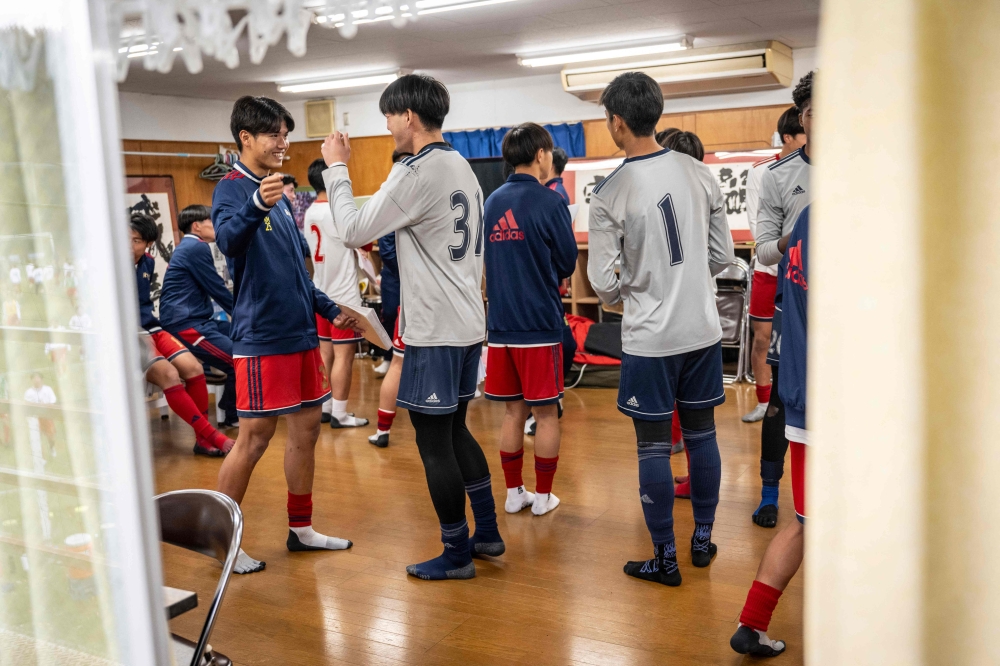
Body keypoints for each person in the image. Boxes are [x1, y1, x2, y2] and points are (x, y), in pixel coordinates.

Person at [321, 73, 502, 580]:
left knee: (431, 441)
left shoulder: (417, 171)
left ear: (409, 117)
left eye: (388, 115)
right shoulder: (461, 163)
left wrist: (337, 169)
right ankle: (486, 532)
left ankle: (457, 552)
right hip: (467, 324)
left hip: (435, 329)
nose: (385, 125)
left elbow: (354, 228)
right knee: (455, 428)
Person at [588, 72, 734, 587]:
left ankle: (664, 558)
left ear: (618, 122)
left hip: (650, 340)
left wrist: (639, 279)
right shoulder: (699, 172)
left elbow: (602, 288)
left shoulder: (610, 193)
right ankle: (703, 539)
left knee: (653, 448)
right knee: (702, 436)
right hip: (703, 331)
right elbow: (720, 255)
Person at [212, 96, 359, 575]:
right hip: (261, 337)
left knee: (308, 430)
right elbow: (231, 240)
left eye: (285, 133)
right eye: (274, 134)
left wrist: (331, 308)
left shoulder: (283, 196)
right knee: (253, 439)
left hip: (299, 334)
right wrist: (256, 203)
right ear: (246, 139)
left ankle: (301, 529)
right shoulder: (233, 190)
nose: (283, 142)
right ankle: (220, 542)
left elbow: (297, 273)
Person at [483, 123, 577, 516]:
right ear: (542, 155)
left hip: (501, 327)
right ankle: (542, 497)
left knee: (512, 412)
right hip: (539, 325)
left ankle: (512, 493)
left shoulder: (491, 202)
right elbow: (569, 261)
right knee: (546, 413)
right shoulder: (550, 201)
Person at [730, 205, 810, 658]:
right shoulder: (858, 218)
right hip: (840, 406)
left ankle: (752, 623)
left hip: (801, 399)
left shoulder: (807, 219)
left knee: (805, 524)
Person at [750, 71, 813, 529]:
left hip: (857, 312)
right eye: (813, 112)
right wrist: (801, 236)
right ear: (804, 119)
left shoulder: (870, 166)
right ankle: (770, 493)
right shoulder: (778, 176)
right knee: (781, 404)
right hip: (794, 308)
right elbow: (763, 249)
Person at [130, 212, 234, 457]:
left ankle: (202, 440)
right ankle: (212, 434)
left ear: (148, 244)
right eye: (127, 238)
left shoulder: (147, 262)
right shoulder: (112, 266)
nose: (129, 245)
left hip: (153, 326)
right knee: (170, 374)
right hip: (129, 331)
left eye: (136, 241)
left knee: (194, 369)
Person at [742, 107, 806, 425]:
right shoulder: (762, 172)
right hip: (771, 270)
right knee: (763, 339)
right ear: (788, 137)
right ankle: (764, 401)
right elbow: (760, 228)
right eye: (804, 135)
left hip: (805, 273)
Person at [158, 204, 238, 427]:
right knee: (238, 361)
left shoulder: (190, 246)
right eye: (211, 222)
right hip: (185, 324)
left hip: (199, 320)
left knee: (246, 344)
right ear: (197, 226)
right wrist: (242, 314)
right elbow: (216, 287)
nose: (216, 227)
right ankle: (231, 413)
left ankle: (232, 408)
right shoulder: (196, 247)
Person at [304, 158, 369, 429]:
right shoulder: (337, 212)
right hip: (343, 297)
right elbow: (362, 240)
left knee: (326, 354)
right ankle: (340, 414)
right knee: (344, 356)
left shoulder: (309, 212)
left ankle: (328, 406)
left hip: (320, 294)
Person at [368, 150, 412, 449]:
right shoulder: (392, 197)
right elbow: (387, 247)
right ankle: (383, 430)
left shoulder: (393, 197)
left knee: (399, 362)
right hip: (417, 293)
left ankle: (383, 430)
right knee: (397, 361)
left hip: (416, 295)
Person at [24, 372, 57, 455]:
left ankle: (52, 448)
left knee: (50, 436)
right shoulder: (28, 392)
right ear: (31, 380)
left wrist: (46, 405)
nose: (36, 380)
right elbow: (27, 405)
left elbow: (53, 401)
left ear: (41, 379)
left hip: (47, 416)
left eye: (38, 378)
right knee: (37, 438)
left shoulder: (48, 389)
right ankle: (40, 454)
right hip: (35, 418)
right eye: (34, 378)